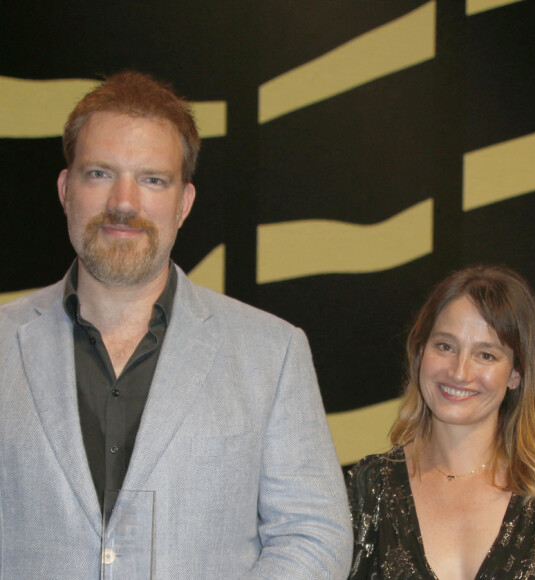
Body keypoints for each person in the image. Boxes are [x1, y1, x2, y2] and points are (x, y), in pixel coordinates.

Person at [0, 71, 352, 579]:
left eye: (152, 179)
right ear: (65, 189)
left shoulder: (271, 352)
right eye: (99, 173)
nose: (124, 202)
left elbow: (314, 534)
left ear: (183, 203)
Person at [347, 265, 535, 579]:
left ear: (516, 373)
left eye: (486, 355)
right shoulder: (368, 488)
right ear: (419, 353)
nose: (459, 372)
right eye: (445, 346)